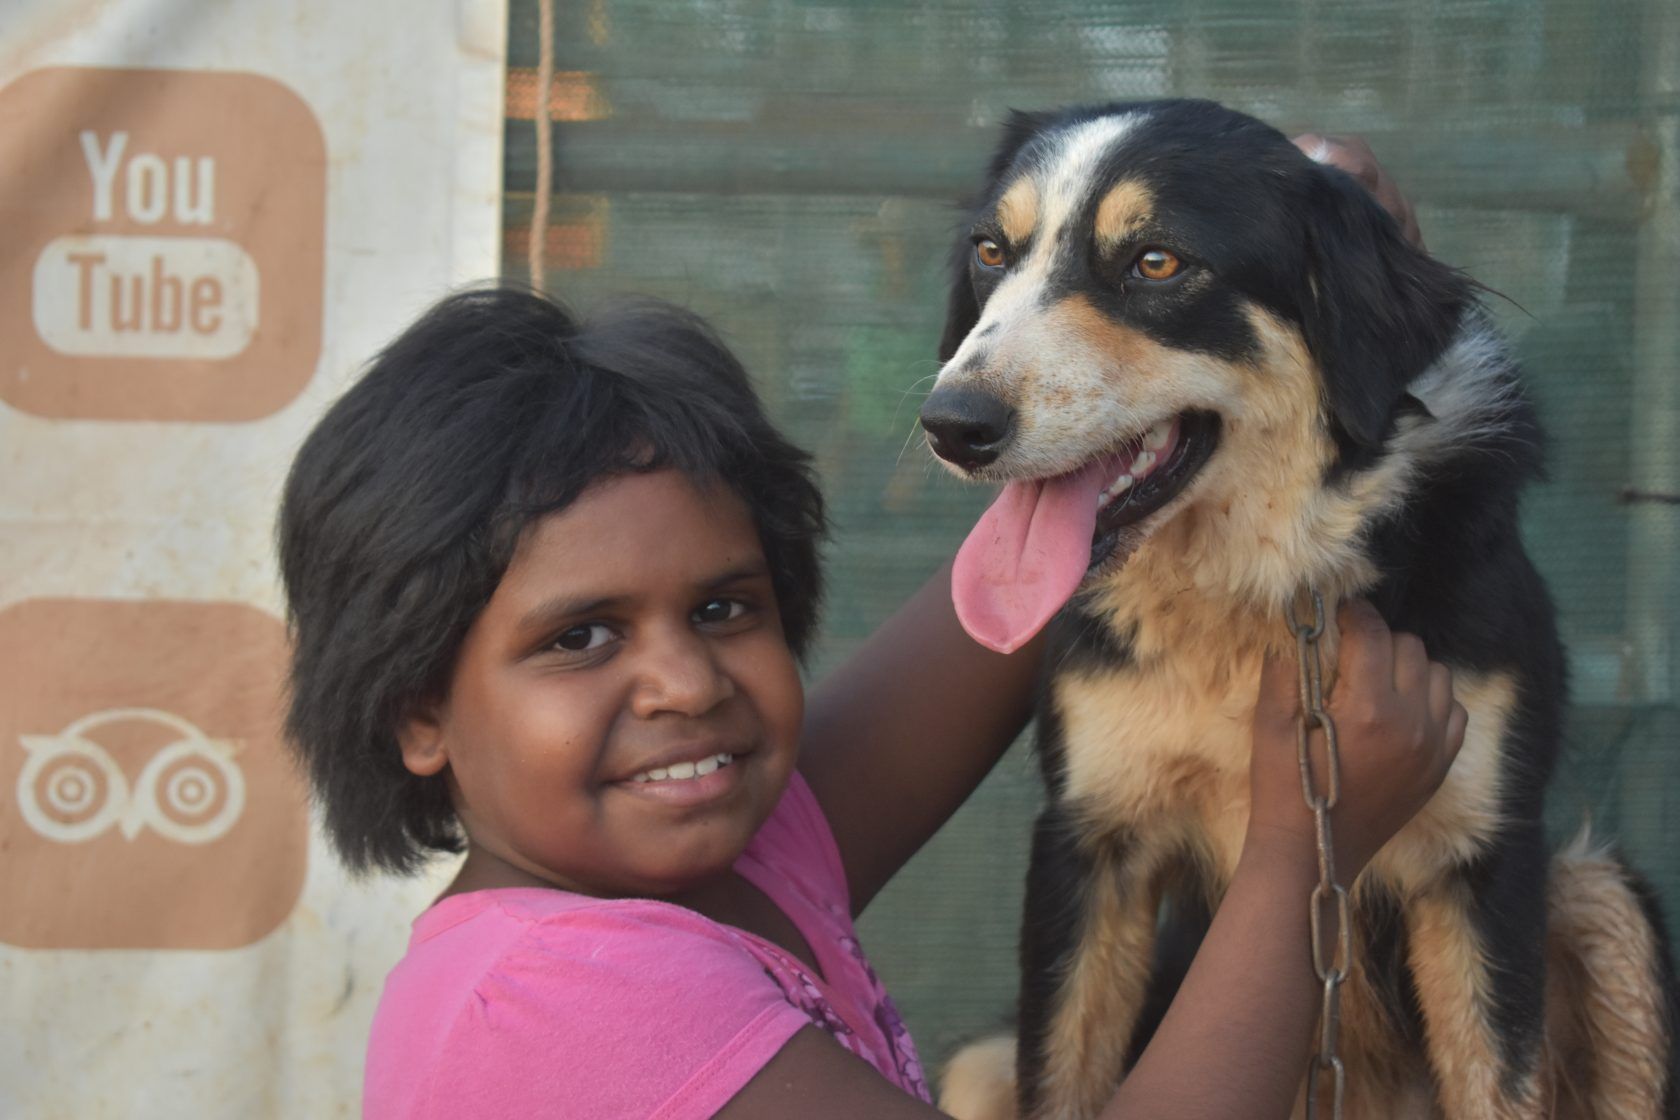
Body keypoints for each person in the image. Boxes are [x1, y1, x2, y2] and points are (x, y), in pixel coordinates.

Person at [277, 161, 1462, 1120]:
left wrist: (1284, 225)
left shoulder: (717, 861)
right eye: (581, 637)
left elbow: (994, 613)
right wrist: (1305, 846)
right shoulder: (559, 999)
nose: (687, 683)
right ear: (415, 711)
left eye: (724, 607)